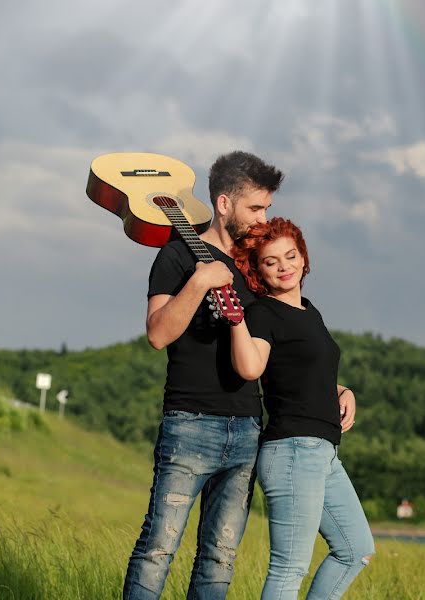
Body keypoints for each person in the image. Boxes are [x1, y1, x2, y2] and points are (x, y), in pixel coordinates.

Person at [122, 151, 284, 600]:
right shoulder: (177, 257)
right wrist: (198, 282)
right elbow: (157, 334)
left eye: (267, 208)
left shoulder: (258, 272)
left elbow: (275, 351)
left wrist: (336, 387)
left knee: (220, 559)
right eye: (256, 208)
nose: (263, 218)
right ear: (224, 204)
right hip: (190, 424)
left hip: (247, 429)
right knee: (158, 549)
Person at [229, 217, 375, 600]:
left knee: (355, 550)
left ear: (304, 257)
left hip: (323, 453)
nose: (284, 266)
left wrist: (345, 390)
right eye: (271, 261)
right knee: (289, 568)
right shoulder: (262, 314)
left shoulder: (310, 312)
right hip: (293, 450)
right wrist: (235, 322)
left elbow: (308, 374)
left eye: (290, 255)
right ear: (257, 270)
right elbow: (251, 367)